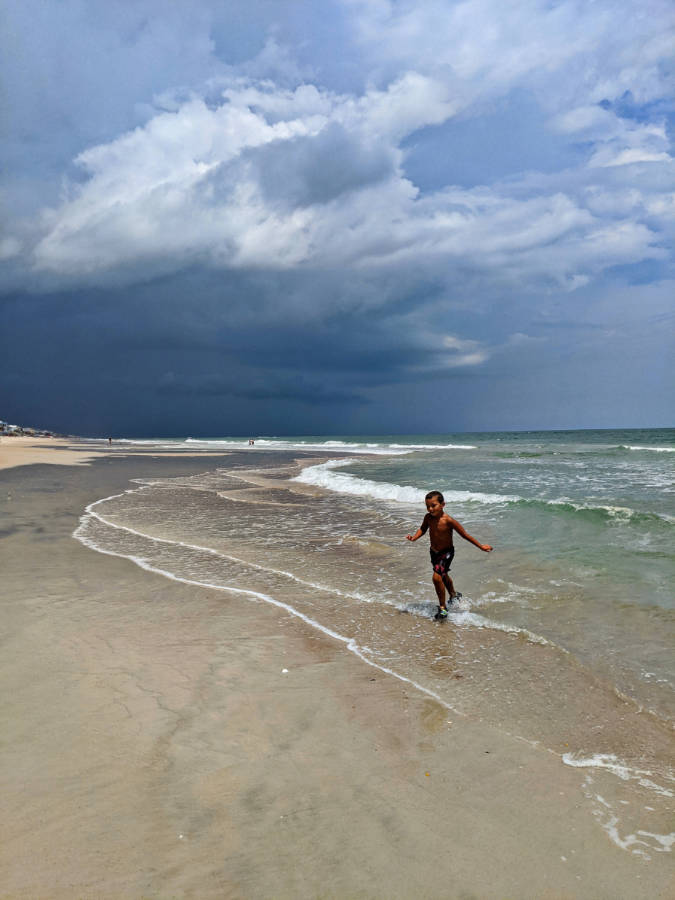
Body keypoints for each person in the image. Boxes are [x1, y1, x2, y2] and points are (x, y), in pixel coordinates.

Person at [406, 490, 493, 619]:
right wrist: (414, 538)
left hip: (446, 553)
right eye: (427, 506)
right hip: (434, 552)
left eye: (433, 505)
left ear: (443, 505)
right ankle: (453, 595)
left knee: (436, 578)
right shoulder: (428, 518)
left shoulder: (449, 521)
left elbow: (465, 535)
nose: (430, 509)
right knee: (443, 574)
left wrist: (480, 546)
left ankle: (443, 608)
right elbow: (423, 529)